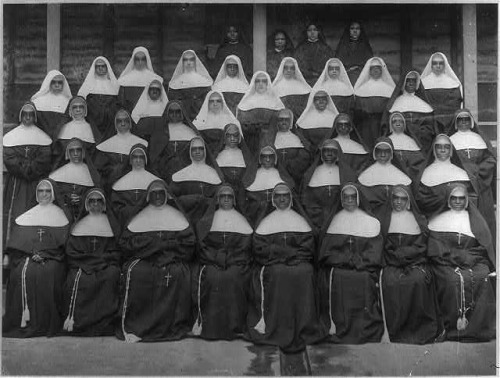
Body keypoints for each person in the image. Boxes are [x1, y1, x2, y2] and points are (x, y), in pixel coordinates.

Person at [247, 182, 326, 353]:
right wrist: (286, 255)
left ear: (291, 198)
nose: (282, 199)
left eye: (285, 196)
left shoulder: (300, 221)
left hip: (297, 263)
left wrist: (288, 256)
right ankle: (277, 326)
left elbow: (307, 248)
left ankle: (304, 326)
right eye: (278, 196)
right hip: (273, 265)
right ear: (273, 199)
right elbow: (259, 249)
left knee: (306, 271)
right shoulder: (265, 222)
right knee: (277, 273)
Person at [118, 179, 196, 342]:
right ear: (148, 196)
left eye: (161, 193)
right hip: (145, 259)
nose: (158, 197)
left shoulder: (178, 217)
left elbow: (189, 244)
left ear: (167, 195)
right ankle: (139, 325)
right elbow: (126, 244)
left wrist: (167, 250)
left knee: (178, 273)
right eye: (154, 194)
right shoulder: (138, 217)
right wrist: (154, 248)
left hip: (172, 259)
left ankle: (171, 325)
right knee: (136, 273)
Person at [427, 183, 495, 342]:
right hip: (445, 262)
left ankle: (478, 328)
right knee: (451, 280)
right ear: (448, 200)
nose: (457, 201)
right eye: (454, 198)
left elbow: (482, 247)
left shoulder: (475, 221)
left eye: (461, 198)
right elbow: (434, 249)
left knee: (482, 275)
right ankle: (450, 328)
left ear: (466, 200)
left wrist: (468, 257)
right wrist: (456, 257)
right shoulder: (438, 220)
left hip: (471, 260)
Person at [318, 183, 384, 344]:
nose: (349, 200)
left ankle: (362, 328)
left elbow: (374, 253)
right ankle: (339, 327)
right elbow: (326, 253)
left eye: (352, 197)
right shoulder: (333, 221)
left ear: (358, 198)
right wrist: (346, 260)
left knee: (364, 279)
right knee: (339, 278)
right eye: (345, 197)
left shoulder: (370, 222)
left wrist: (358, 261)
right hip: (338, 268)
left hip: (363, 268)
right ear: (341, 200)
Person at [3, 179, 70, 337]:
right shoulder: (27, 216)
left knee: (49, 273)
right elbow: (17, 245)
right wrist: (31, 254)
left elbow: (65, 247)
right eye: (41, 191)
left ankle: (45, 323)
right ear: (36, 194)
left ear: (53, 194)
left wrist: (46, 255)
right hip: (28, 257)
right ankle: (24, 321)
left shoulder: (62, 217)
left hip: (54, 259)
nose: (44, 194)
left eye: (47, 191)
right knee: (20, 273)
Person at [379, 185, 439, 344]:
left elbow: (422, 246)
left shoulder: (417, 220)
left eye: (402, 198)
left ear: (408, 201)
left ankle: (417, 328)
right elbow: (380, 244)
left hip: (415, 262)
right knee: (390, 282)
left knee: (418, 280)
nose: (399, 202)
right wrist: (395, 256)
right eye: (395, 198)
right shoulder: (384, 219)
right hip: (391, 262)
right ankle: (396, 329)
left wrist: (407, 254)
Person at [192, 184, 253, 340]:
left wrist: (228, 259)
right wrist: (217, 259)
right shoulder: (207, 221)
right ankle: (211, 326)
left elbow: (245, 248)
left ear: (234, 200)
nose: (226, 199)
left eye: (230, 197)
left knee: (234, 277)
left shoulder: (242, 221)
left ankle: (235, 325)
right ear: (217, 200)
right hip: (212, 261)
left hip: (235, 262)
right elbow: (203, 246)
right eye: (223, 196)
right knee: (212, 277)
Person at [62, 188, 121, 336]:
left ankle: (104, 324)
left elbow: (117, 252)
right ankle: (80, 324)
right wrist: (90, 262)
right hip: (83, 264)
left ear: (104, 204)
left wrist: (102, 261)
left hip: (105, 265)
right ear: (87, 204)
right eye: (92, 201)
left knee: (112, 274)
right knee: (75, 278)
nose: (95, 204)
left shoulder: (112, 225)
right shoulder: (78, 226)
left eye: (99, 201)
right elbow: (72, 252)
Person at [3, 103, 52, 255]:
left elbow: (45, 158)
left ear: (35, 117)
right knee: (15, 213)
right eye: (25, 114)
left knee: (34, 212)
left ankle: (32, 249)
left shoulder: (43, 137)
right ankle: (11, 250)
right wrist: (26, 169)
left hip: (35, 183)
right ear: (20, 116)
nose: (28, 117)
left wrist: (29, 169)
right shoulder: (12, 136)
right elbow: (8, 157)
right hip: (16, 184)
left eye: (31, 115)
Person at [449, 109, 496, 241]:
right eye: (460, 120)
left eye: (466, 119)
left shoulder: (480, 139)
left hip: (481, 186)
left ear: (471, 122)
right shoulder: (450, 141)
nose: (463, 122)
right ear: (455, 122)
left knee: (483, 222)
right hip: (460, 186)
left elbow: (490, 160)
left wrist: (476, 172)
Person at [301, 139, 356, 231]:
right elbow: (308, 201)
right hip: (318, 219)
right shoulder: (311, 174)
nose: (329, 154)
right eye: (326, 151)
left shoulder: (348, 174)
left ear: (338, 154)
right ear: (321, 154)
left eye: (333, 151)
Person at [417, 134, 474, 217]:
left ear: (451, 150)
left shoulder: (462, 174)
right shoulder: (425, 174)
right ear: (434, 149)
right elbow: (422, 202)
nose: (443, 150)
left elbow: (471, 199)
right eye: (439, 147)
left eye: (446, 147)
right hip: (434, 217)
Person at [170, 137, 223, 225]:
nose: (197, 152)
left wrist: (203, 202)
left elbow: (218, 200)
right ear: (189, 152)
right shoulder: (180, 175)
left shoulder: (215, 175)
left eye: (201, 149)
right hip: (185, 216)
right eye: (194, 149)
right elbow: (173, 199)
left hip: (208, 218)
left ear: (205, 151)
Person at [358, 137, 412, 221]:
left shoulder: (401, 175)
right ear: (374, 153)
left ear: (391, 153)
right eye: (379, 151)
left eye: (386, 151)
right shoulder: (364, 176)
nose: (382, 154)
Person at [94, 109, 148, 193]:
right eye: (119, 121)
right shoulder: (105, 146)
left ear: (130, 123)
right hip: (111, 184)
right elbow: (101, 169)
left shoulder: (142, 144)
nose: (123, 123)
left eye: (125, 120)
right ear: (115, 124)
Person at [49, 138, 100, 223]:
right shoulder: (57, 175)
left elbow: (96, 197)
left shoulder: (92, 175)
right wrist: (66, 199)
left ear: (83, 152)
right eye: (72, 151)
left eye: (78, 150)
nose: (75, 154)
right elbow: (54, 197)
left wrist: (83, 199)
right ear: (67, 153)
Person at [241, 145, 295, 227]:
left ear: (275, 158)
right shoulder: (251, 178)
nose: (267, 159)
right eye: (264, 157)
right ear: (259, 159)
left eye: (271, 156)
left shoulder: (283, 177)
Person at [384, 70, 436, 153]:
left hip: (422, 142)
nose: (411, 83)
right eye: (408, 81)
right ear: (404, 83)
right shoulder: (394, 104)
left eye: (413, 81)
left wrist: (417, 131)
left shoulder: (425, 106)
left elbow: (430, 127)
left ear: (417, 83)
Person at [110, 144, 161, 230]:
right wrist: (132, 212)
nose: (138, 160)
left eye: (141, 157)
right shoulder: (120, 183)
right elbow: (116, 207)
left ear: (146, 160)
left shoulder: (156, 181)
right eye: (135, 157)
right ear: (130, 160)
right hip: (127, 223)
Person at [148, 100, 199, 182]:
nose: (174, 114)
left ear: (182, 112)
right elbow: (154, 158)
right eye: (171, 112)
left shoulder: (191, 132)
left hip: (186, 175)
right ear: (167, 113)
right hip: (164, 174)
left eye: (177, 111)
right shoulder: (160, 132)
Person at [237, 71, 285, 154]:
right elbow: (242, 124)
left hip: (272, 140)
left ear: (268, 83)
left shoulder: (275, 102)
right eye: (258, 81)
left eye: (264, 81)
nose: (261, 83)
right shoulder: (246, 102)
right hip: (251, 141)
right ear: (254, 83)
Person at [353, 57, 395, 150]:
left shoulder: (389, 89)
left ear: (382, 70)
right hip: (365, 126)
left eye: (378, 68)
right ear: (369, 70)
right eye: (373, 68)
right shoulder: (361, 89)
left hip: (383, 124)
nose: (376, 70)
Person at [78, 56, 120, 141]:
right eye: (98, 66)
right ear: (94, 68)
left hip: (110, 126)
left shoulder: (114, 85)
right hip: (92, 125)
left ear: (107, 68)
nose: (100, 68)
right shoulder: (88, 85)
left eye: (103, 66)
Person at [420, 52, 462, 133]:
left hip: (448, 124)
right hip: (429, 124)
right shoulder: (423, 83)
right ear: (431, 65)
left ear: (445, 65)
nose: (438, 66)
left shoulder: (453, 84)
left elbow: (455, 103)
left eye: (441, 63)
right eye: (435, 63)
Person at [271, 108, 312, 188]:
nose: (283, 122)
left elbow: (304, 158)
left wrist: (290, 166)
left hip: (294, 175)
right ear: (276, 122)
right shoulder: (271, 138)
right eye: (281, 120)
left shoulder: (297, 138)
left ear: (291, 121)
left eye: (286, 120)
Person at [168, 50, 213, 121]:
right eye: (186, 60)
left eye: (191, 60)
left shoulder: (204, 82)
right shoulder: (175, 83)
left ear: (195, 61)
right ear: (182, 62)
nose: (188, 63)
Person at [193, 90, 243, 154]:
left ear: (222, 103)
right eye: (212, 101)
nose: (215, 104)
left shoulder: (231, 120)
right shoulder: (199, 121)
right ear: (207, 103)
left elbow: (239, 143)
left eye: (218, 101)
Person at [117, 46, 162, 113]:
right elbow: (121, 103)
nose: (140, 62)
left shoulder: (155, 79)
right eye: (137, 59)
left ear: (147, 60)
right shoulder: (124, 80)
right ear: (133, 60)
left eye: (143, 59)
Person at [214, 123, 254, 198]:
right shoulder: (218, 156)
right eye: (229, 136)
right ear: (224, 138)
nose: (232, 139)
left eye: (235, 135)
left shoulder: (245, 156)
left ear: (239, 137)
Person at [31, 70, 72, 139]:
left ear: (63, 84)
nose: (57, 85)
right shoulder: (38, 101)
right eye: (54, 82)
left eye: (59, 82)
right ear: (49, 83)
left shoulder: (68, 102)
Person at [387, 111, 426, 182]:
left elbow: (418, 164)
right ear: (390, 124)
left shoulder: (411, 142)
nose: (397, 123)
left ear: (404, 124)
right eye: (394, 121)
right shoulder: (386, 142)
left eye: (400, 121)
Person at [334, 21, 374, 85]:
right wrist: (349, 70)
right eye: (352, 28)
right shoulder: (343, 46)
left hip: (362, 77)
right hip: (346, 77)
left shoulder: (365, 46)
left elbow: (370, 64)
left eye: (357, 28)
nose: (355, 31)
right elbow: (338, 64)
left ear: (360, 31)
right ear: (348, 31)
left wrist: (358, 68)